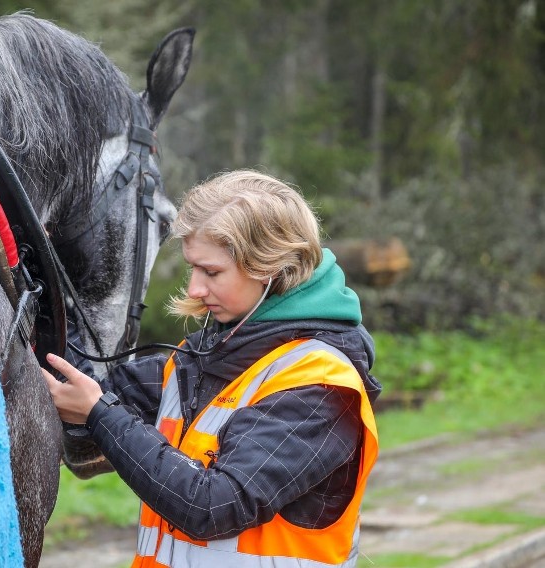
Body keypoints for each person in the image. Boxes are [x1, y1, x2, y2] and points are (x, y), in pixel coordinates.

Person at [41, 169, 381, 568]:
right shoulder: (200, 359)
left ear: (270, 268)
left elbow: (214, 506)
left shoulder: (321, 386)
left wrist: (100, 414)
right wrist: (49, 282)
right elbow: (87, 387)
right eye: (193, 269)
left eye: (212, 272)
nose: (194, 290)